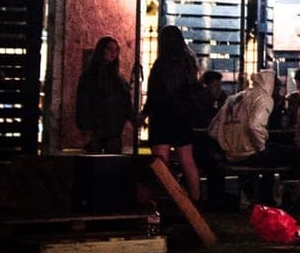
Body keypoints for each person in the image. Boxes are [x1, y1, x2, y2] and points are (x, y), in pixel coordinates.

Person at [143, 24, 204, 202]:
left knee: (161, 162)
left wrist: (144, 114)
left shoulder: (160, 65)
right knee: (187, 160)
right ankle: (194, 201)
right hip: (183, 117)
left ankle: (167, 198)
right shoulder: (189, 64)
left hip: (162, 117)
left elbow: (154, 95)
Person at [74, 36, 134, 154]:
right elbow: (83, 102)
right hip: (95, 129)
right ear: (101, 50)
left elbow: (125, 102)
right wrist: (85, 126)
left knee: (110, 164)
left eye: (116, 50)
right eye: (109, 49)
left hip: (113, 130)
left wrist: (132, 117)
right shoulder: (90, 77)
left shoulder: (118, 79)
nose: (113, 53)